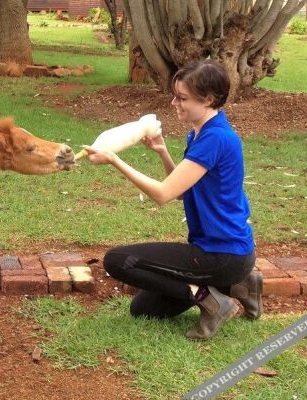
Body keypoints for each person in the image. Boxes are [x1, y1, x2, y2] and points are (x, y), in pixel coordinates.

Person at [85, 60, 262, 340]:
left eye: (182, 98)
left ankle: (214, 301)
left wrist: (114, 159)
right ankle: (239, 285)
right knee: (143, 309)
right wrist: (163, 152)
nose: (173, 103)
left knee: (118, 260)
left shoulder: (215, 139)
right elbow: (181, 189)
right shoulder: (200, 132)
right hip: (227, 254)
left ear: (208, 100)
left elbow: (163, 194)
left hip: (220, 254)